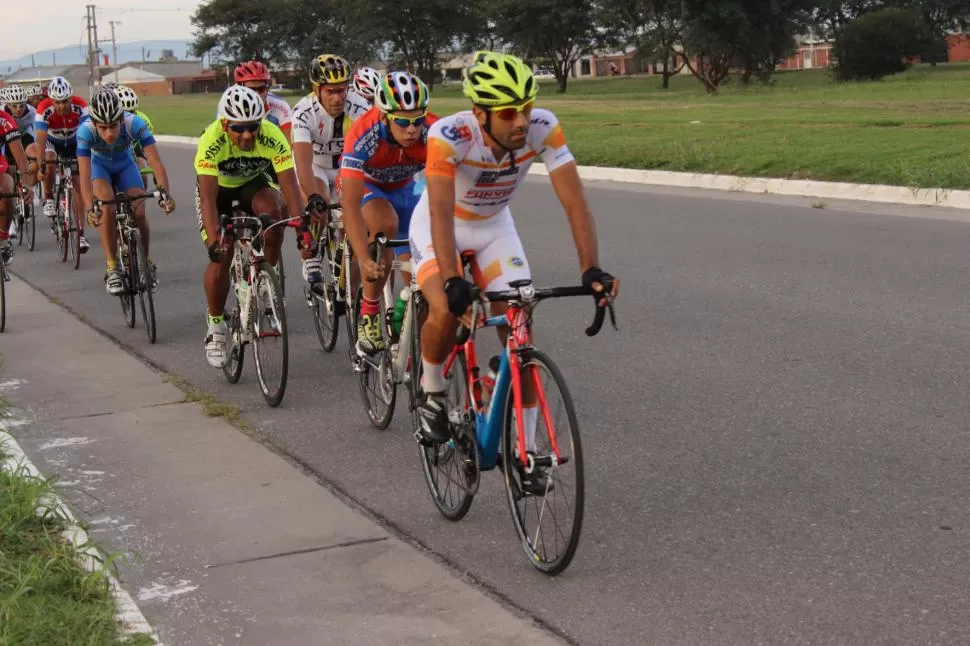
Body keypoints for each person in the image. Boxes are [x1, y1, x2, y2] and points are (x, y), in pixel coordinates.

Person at [408, 51, 619, 454]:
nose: (521, 121)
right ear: (480, 113)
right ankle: (432, 389)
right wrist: (452, 278)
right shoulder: (449, 136)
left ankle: (529, 447)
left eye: (525, 108)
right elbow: (438, 211)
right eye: (508, 113)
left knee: (520, 322)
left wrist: (591, 267)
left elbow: (575, 202)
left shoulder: (544, 127)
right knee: (443, 308)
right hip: (443, 224)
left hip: (493, 227)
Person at [194, 85, 306, 368]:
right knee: (223, 252)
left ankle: (265, 277)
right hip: (218, 191)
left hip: (251, 185)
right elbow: (207, 199)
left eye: (253, 127)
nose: (247, 135)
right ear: (224, 124)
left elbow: (290, 186)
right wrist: (213, 243)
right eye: (239, 128)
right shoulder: (211, 140)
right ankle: (216, 327)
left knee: (275, 211)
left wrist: (303, 229)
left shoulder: (271, 135)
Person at [340, 71, 437, 354]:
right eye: (403, 122)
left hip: (406, 184)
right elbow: (350, 206)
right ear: (384, 117)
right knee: (385, 224)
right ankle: (369, 313)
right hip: (368, 185)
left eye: (418, 121)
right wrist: (363, 257)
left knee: (420, 264)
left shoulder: (434, 130)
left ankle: (410, 328)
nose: (412, 130)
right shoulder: (363, 133)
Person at [77, 88, 175, 295]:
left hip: (125, 164)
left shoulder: (135, 124)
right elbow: (84, 175)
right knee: (107, 209)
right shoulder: (85, 131)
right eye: (103, 128)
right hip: (100, 167)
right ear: (94, 124)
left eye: (113, 126)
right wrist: (89, 207)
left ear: (122, 119)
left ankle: (146, 263)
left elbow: (156, 162)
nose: (109, 133)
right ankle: (112, 267)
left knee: (139, 213)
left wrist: (165, 193)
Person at [290, 54, 370, 291]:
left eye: (342, 90)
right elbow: (302, 164)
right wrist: (313, 197)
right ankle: (311, 254)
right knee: (321, 204)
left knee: (353, 219)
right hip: (316, 165)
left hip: (346, 166)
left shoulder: (360, 108)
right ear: (317, 89)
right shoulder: (303, 113)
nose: (338, 98)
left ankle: (348, 283)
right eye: (331, 91)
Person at [34, 76, 90, 252]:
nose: (61, 106)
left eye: (65, 101)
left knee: (79, 184)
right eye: (57, 102)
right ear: (51, 100)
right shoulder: (43, 108)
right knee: (49, 160)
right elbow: (41, 139)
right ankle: (49, 198)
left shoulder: (80, 106)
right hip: (53, 141)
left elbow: (86, 134)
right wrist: (40, 165)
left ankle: (81, 234)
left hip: (74, 141)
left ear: (70, 98)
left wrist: (85, 161)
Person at [230, 61, 292, 144]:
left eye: (261, 89)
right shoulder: (228, 107)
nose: (257, 95)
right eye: (251, 90)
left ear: (267, 88)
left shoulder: (281, 107)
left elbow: (289, 146)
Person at [0, 107, 32, 265]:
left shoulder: (4, 119)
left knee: (7, 189)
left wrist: (27, 184)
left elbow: (20, 157)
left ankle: (4, 239)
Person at [113, 85, 155, 177]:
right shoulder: (107, 123)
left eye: (132, 112)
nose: (128, 117)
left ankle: (141, 190)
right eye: (123, 113)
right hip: (112, 150)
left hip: (135, 147)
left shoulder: (143, 120)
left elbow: (148, 149)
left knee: (143, 165)